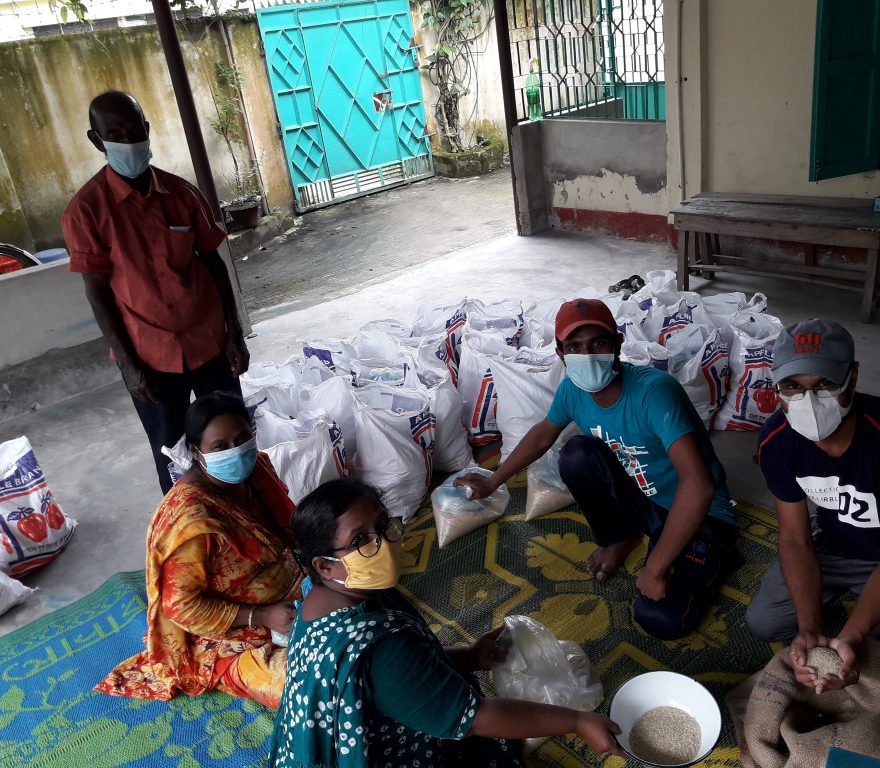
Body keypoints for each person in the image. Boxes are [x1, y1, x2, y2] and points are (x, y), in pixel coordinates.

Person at [271, 478, 624, 768]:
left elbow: (402, 677)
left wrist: (471, 657)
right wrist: (577, 722)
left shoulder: (320, 600)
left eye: (381, 526)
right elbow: (474, 718)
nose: (382, 543)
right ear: (325, 566)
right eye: (360, 540)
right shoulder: (379, 648)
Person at [456, 298, 737, 641]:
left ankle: (687, 550)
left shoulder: (654, 392)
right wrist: (492, 481)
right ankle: (620, 537)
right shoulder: (573, 390)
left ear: (617, 344)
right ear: (560, 353)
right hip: (642, 495)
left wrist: (655, 568)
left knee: (660, 618)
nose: (587, 355)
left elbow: (699, 485)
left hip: (695, 510)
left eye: (597, 343)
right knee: (576, 455)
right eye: (574, 346)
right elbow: (544, 433)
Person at [745, 318, 880, 694]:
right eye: (793, 387)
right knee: (764, 622)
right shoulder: (777, 441)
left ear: (853, 377)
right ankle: (832, 607)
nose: (809, 402)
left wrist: (851, 636)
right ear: (777, 386)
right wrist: (809, 627)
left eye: (826, 385)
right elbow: (796, 539)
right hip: (836, 537)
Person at [62, 90, 250, 495]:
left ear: (146, 131)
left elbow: (214, 262)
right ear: (97, 140)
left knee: (234, 437)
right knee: (172, 453)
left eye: (134, 131)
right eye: (115, 133)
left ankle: (250, 511)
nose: (128, 141)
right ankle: (189, 531)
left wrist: (233, 332)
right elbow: (98, 294)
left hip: (209, 343)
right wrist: (129, 365)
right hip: (150, 357)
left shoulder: (182, 195)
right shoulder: (86, 212)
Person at [96, 392, 301, 708]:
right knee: (311, 686)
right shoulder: (192, 521)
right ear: (196, 452)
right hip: (225, 634)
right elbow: (182, 608)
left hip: (290, 594)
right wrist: (264, 615)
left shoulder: (256, 468)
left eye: (243, 438)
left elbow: (288, 530)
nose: (236, 451)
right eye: (220, 446)